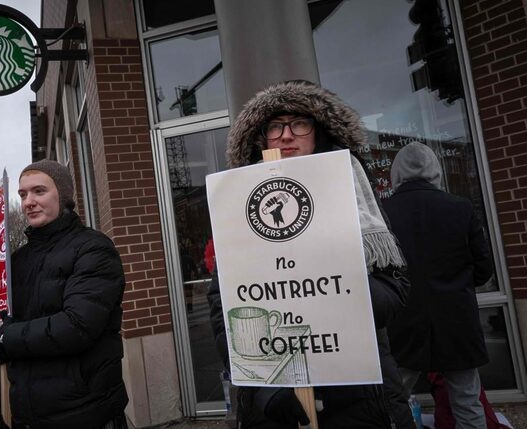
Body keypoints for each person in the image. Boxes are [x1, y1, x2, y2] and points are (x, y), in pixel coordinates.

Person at [207, 80, 415, 429]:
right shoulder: (239, 206)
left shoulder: (351, 195)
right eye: (275, 126)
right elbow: (222, 304)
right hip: (274, 399)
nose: (286, 135)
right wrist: (264, 389)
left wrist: (337, 291)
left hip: (358, 394)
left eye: (299, 123)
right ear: (262, 138)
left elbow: (395, 288)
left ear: (318, 133)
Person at [0, 159, 128, 428]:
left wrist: (7, 338)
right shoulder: (15, 262)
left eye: (39, 191)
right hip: (27, 419)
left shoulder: (94, 249)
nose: (28, 202)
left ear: (64, 196)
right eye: (22, 194)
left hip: (86, 413)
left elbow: (78, 326)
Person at [383, 142, 493, 429]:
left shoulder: (383, 214)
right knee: (468, 403)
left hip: (403, 322)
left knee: (393, 402)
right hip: (457, 320)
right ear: (435, 169)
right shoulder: (460, 208)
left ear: (396, 173)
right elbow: (483, 269)